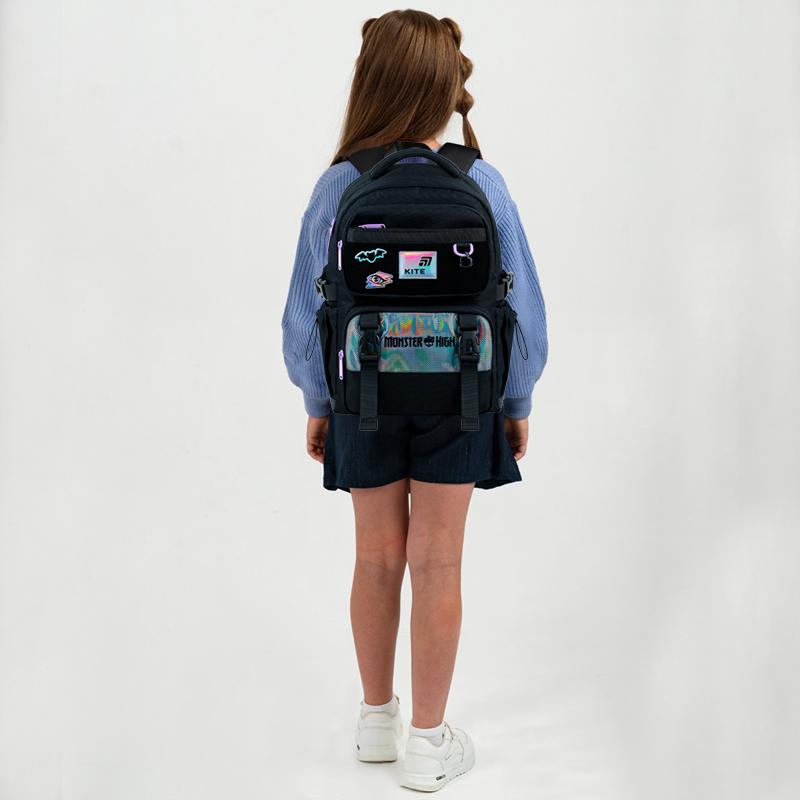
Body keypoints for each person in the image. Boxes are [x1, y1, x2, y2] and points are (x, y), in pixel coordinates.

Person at [281, 10, 548, 792]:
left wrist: (318, 397)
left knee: (374, 557)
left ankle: (376, 722)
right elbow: (524, 309)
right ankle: (428, 744)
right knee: (438, 560)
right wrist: (516, 398)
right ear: (445, 90)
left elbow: (304, 312)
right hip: (462, 394)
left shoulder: (342, 183)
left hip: (362, 393)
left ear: (370, 83)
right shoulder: (480, 182)